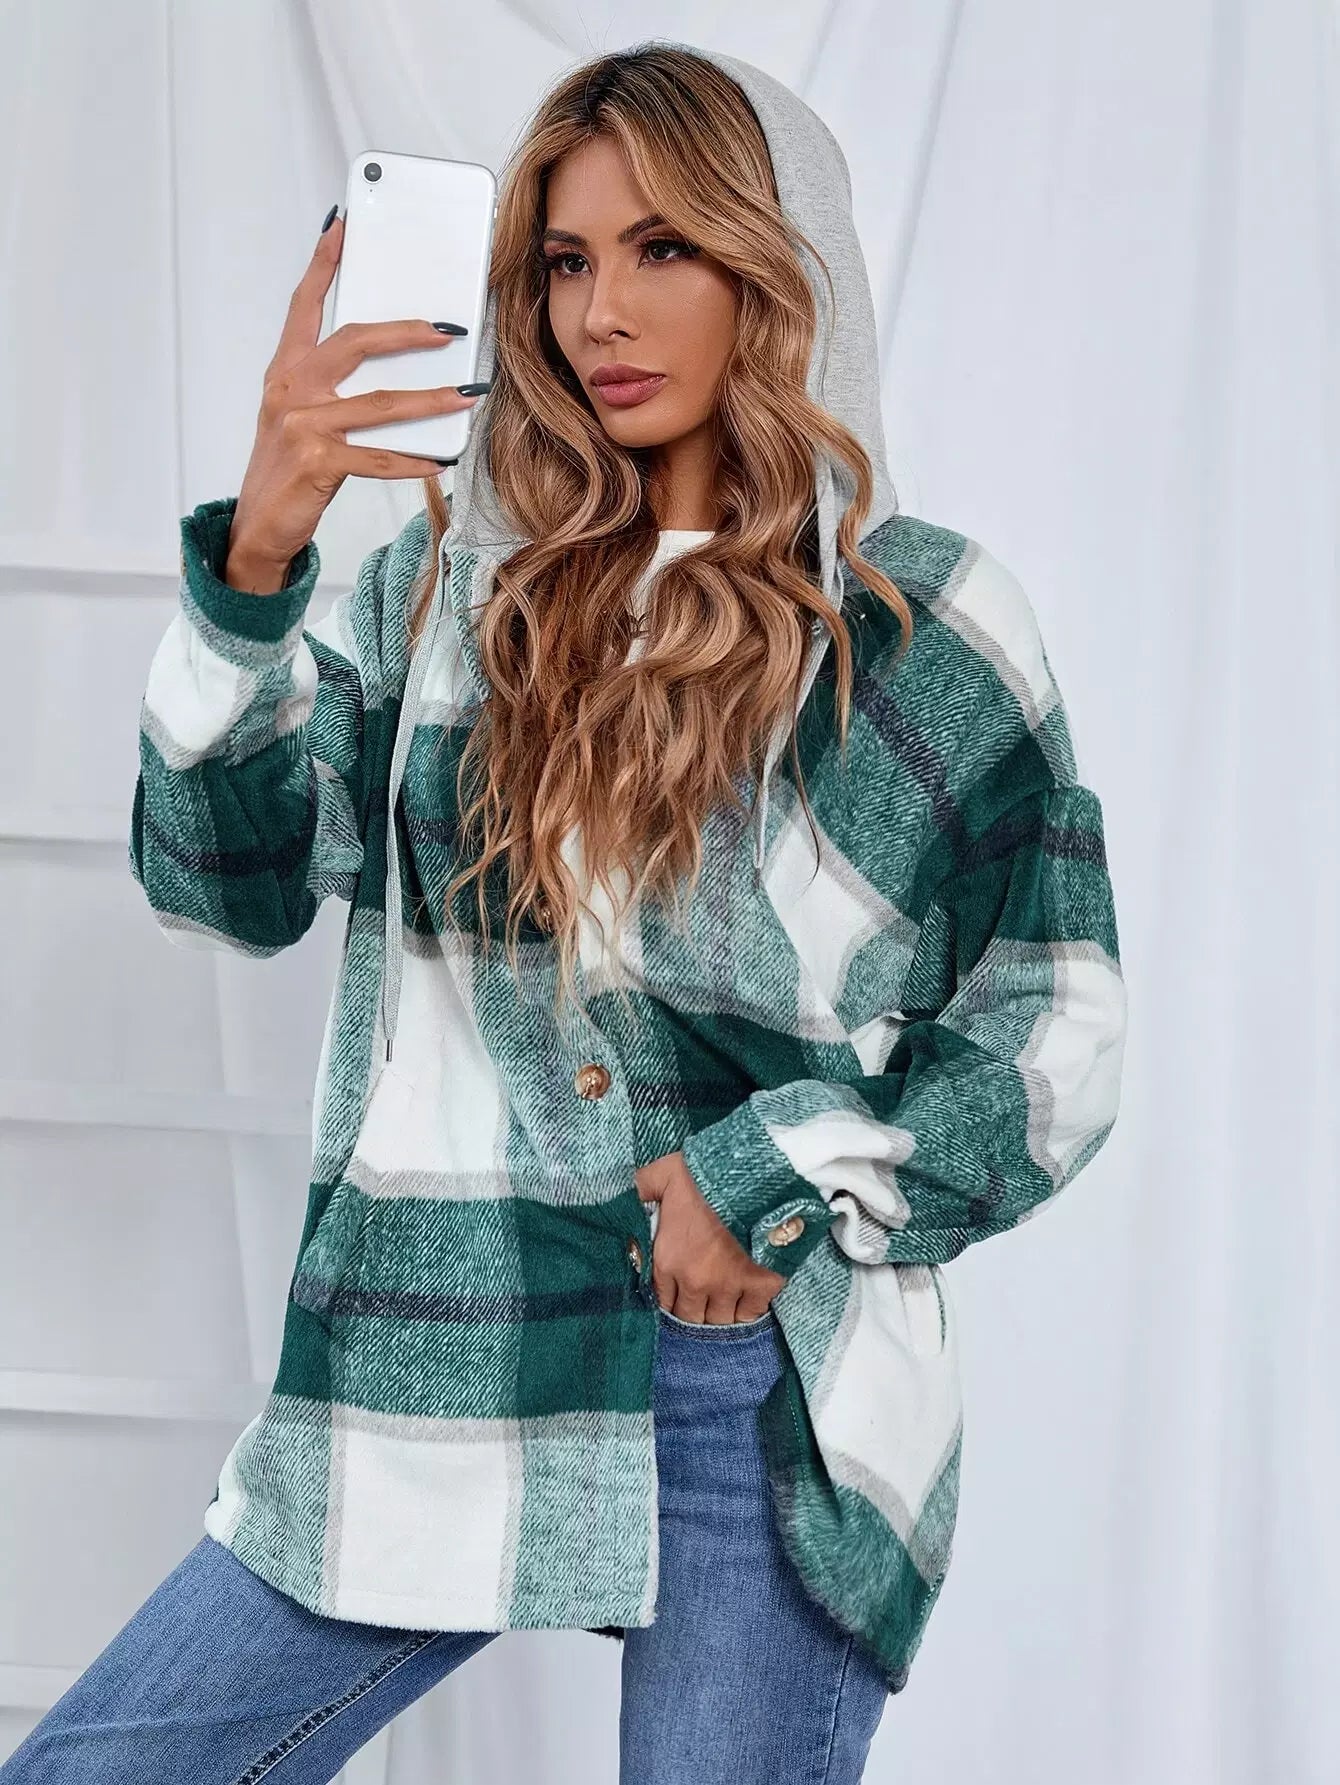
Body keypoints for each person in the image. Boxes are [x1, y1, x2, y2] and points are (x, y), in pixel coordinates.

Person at [2, 37, 1127, 1785]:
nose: (603, 311)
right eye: (565, 260)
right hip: (437, 1347)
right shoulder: (451, 593)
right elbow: (225, 879)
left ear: (777, 264)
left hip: (757, 1381)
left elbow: (1055, 1038)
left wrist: (771, 1173)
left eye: (663, 247)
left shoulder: (923, 629)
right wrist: (259, 559)